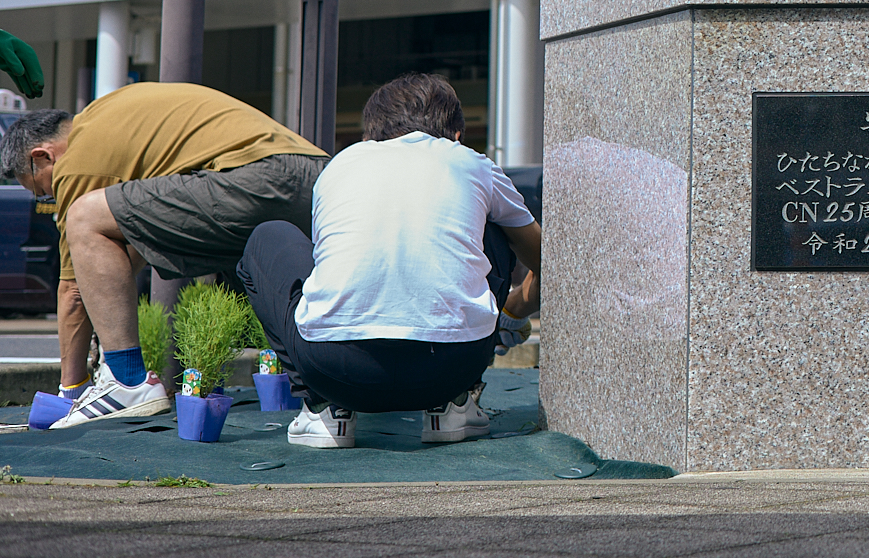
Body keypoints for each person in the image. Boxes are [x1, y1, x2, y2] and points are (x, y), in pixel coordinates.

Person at [237, 73, 541, 448]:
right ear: (457, 135)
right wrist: (513, 310)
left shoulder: (340, 165)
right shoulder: (472, 163)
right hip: (450, 367)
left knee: (267, 237)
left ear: (370, 135)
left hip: (334, 369)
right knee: (497, 227)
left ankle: (323, 409)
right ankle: (455, 406)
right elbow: (545, 258)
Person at [0, 83, 326, 425]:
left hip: (255, 178)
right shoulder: (112, 118)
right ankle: (325, 399)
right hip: (314, 175)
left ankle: (127, 383)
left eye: (41, 191)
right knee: (257, 278)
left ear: (43, 156)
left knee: (85, 217)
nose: (51, 197)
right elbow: (133, 242)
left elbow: (74, 293)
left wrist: (70, 390)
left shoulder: (78, 163)